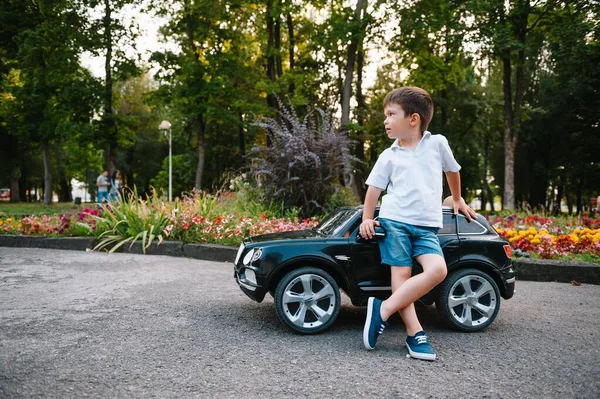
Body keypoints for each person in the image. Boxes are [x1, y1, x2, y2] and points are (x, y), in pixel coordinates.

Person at [360, 86, 477, 361]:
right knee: (400, 277)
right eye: (385, 115)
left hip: (426, 226)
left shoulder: (437, 144)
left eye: (391, 114)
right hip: (395, 222)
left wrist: (456, 198)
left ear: (413, 119)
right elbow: (374, 189)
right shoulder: (389, 155)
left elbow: (453, 170)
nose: (385, 121)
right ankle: (415, 334)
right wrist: (367, 218)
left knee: (437, 270)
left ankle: (383, 310)